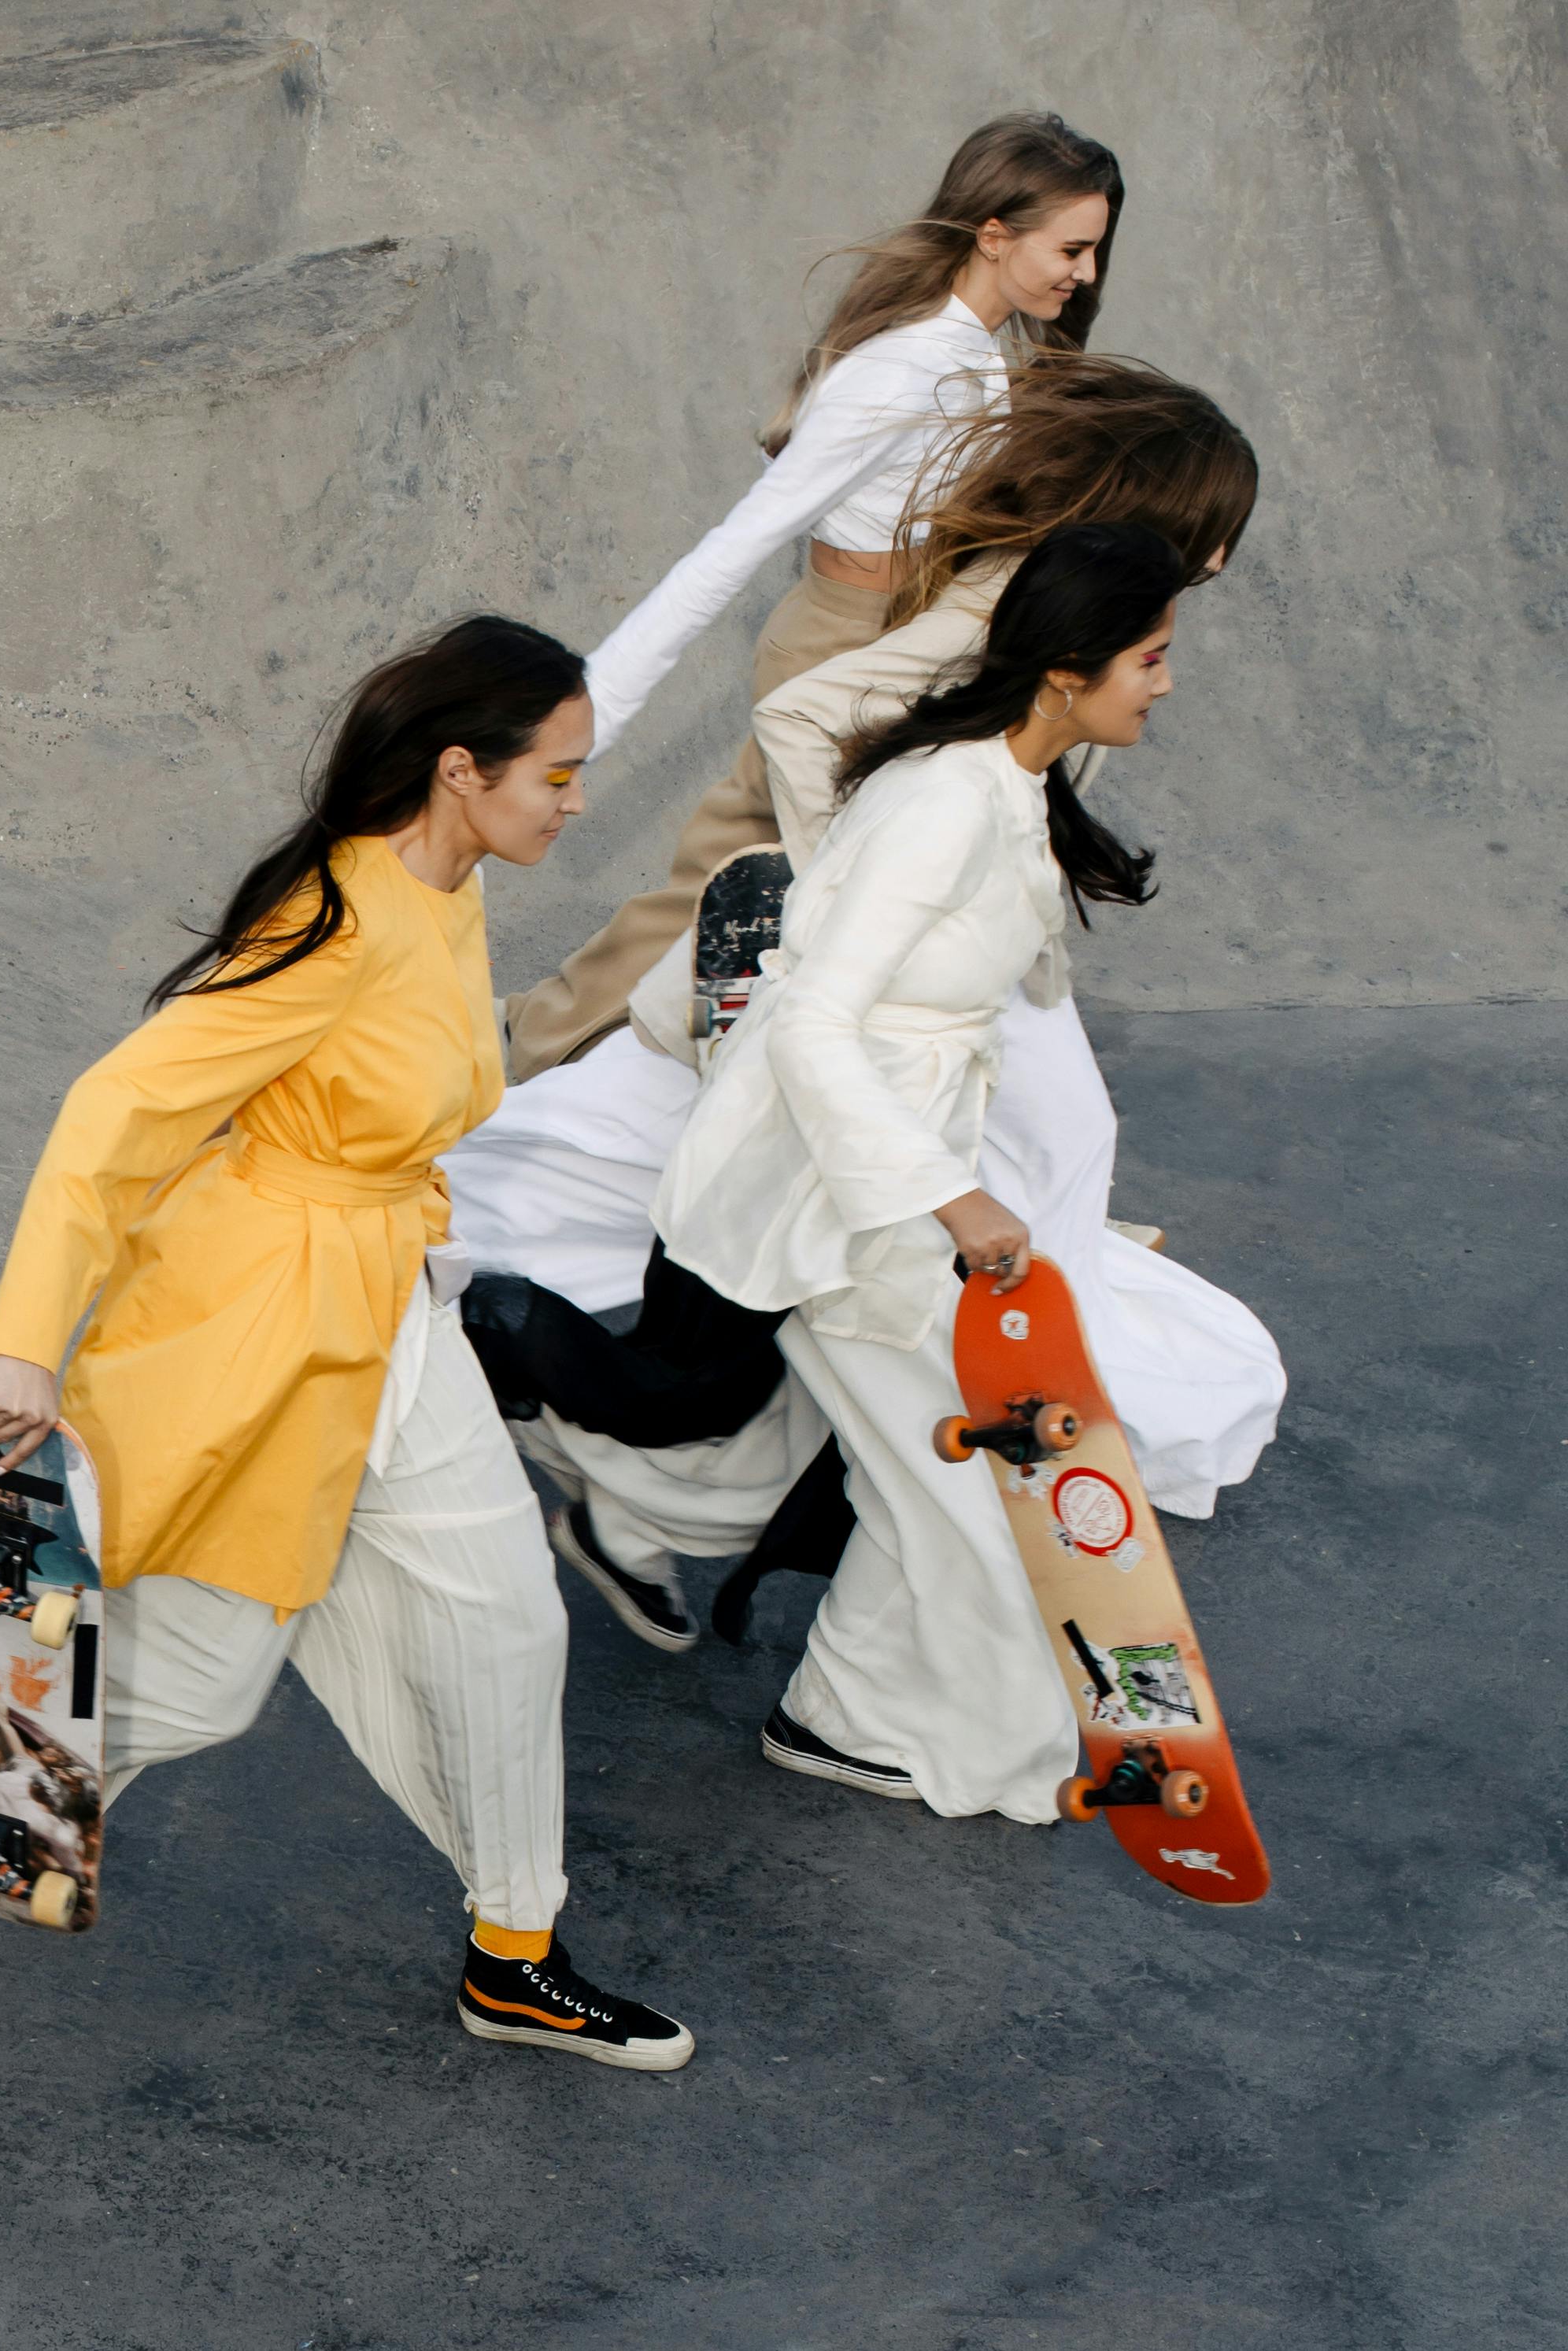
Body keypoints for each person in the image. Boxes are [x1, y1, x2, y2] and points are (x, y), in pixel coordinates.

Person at [0, 618, 697, 2070]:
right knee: (213, 1687)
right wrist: (24, 1347)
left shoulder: (455, 877)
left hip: (391, 1313)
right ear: (463, 772)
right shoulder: (330, 925)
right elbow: (117, 1115)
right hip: (266, 1326)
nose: (577, 799)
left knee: (511, 1621)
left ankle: (516, 1954)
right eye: (561, 772)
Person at [445, 365, 1281, 1655]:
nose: (1225, 554)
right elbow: (806, 711)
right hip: (890, 975)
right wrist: (861, 884)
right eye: (1213, 529)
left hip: (953, 973)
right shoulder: (1026, 603)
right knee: (878, 1203)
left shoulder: (1085, 602)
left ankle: (734, 1497)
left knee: (888, 1231)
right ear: (1164, 516)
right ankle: (812, 1479)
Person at [655, 522, 1191, 1818]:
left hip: (900, 1174)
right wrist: (943, 1193)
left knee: (943, 1482)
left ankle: (846, 1708)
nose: (1164, 683)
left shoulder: (1002, 782)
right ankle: (881, 1720)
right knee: (984, 1504)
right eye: (1150, 658)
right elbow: (817, 1022)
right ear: (1068, 669)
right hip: (850, 1199)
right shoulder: (945, 798)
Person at [505, 112, 1126, 1082]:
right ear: (994, 236)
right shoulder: (899, 371)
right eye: (1071, 249)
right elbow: (736, 544)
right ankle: (534, 1051)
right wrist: (590, 710)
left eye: (1095, 251)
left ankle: (541, 1047)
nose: (1084, 275)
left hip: (910, 644)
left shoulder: (979, 352)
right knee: (787, 891)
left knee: (855, 894)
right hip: (841, 651)